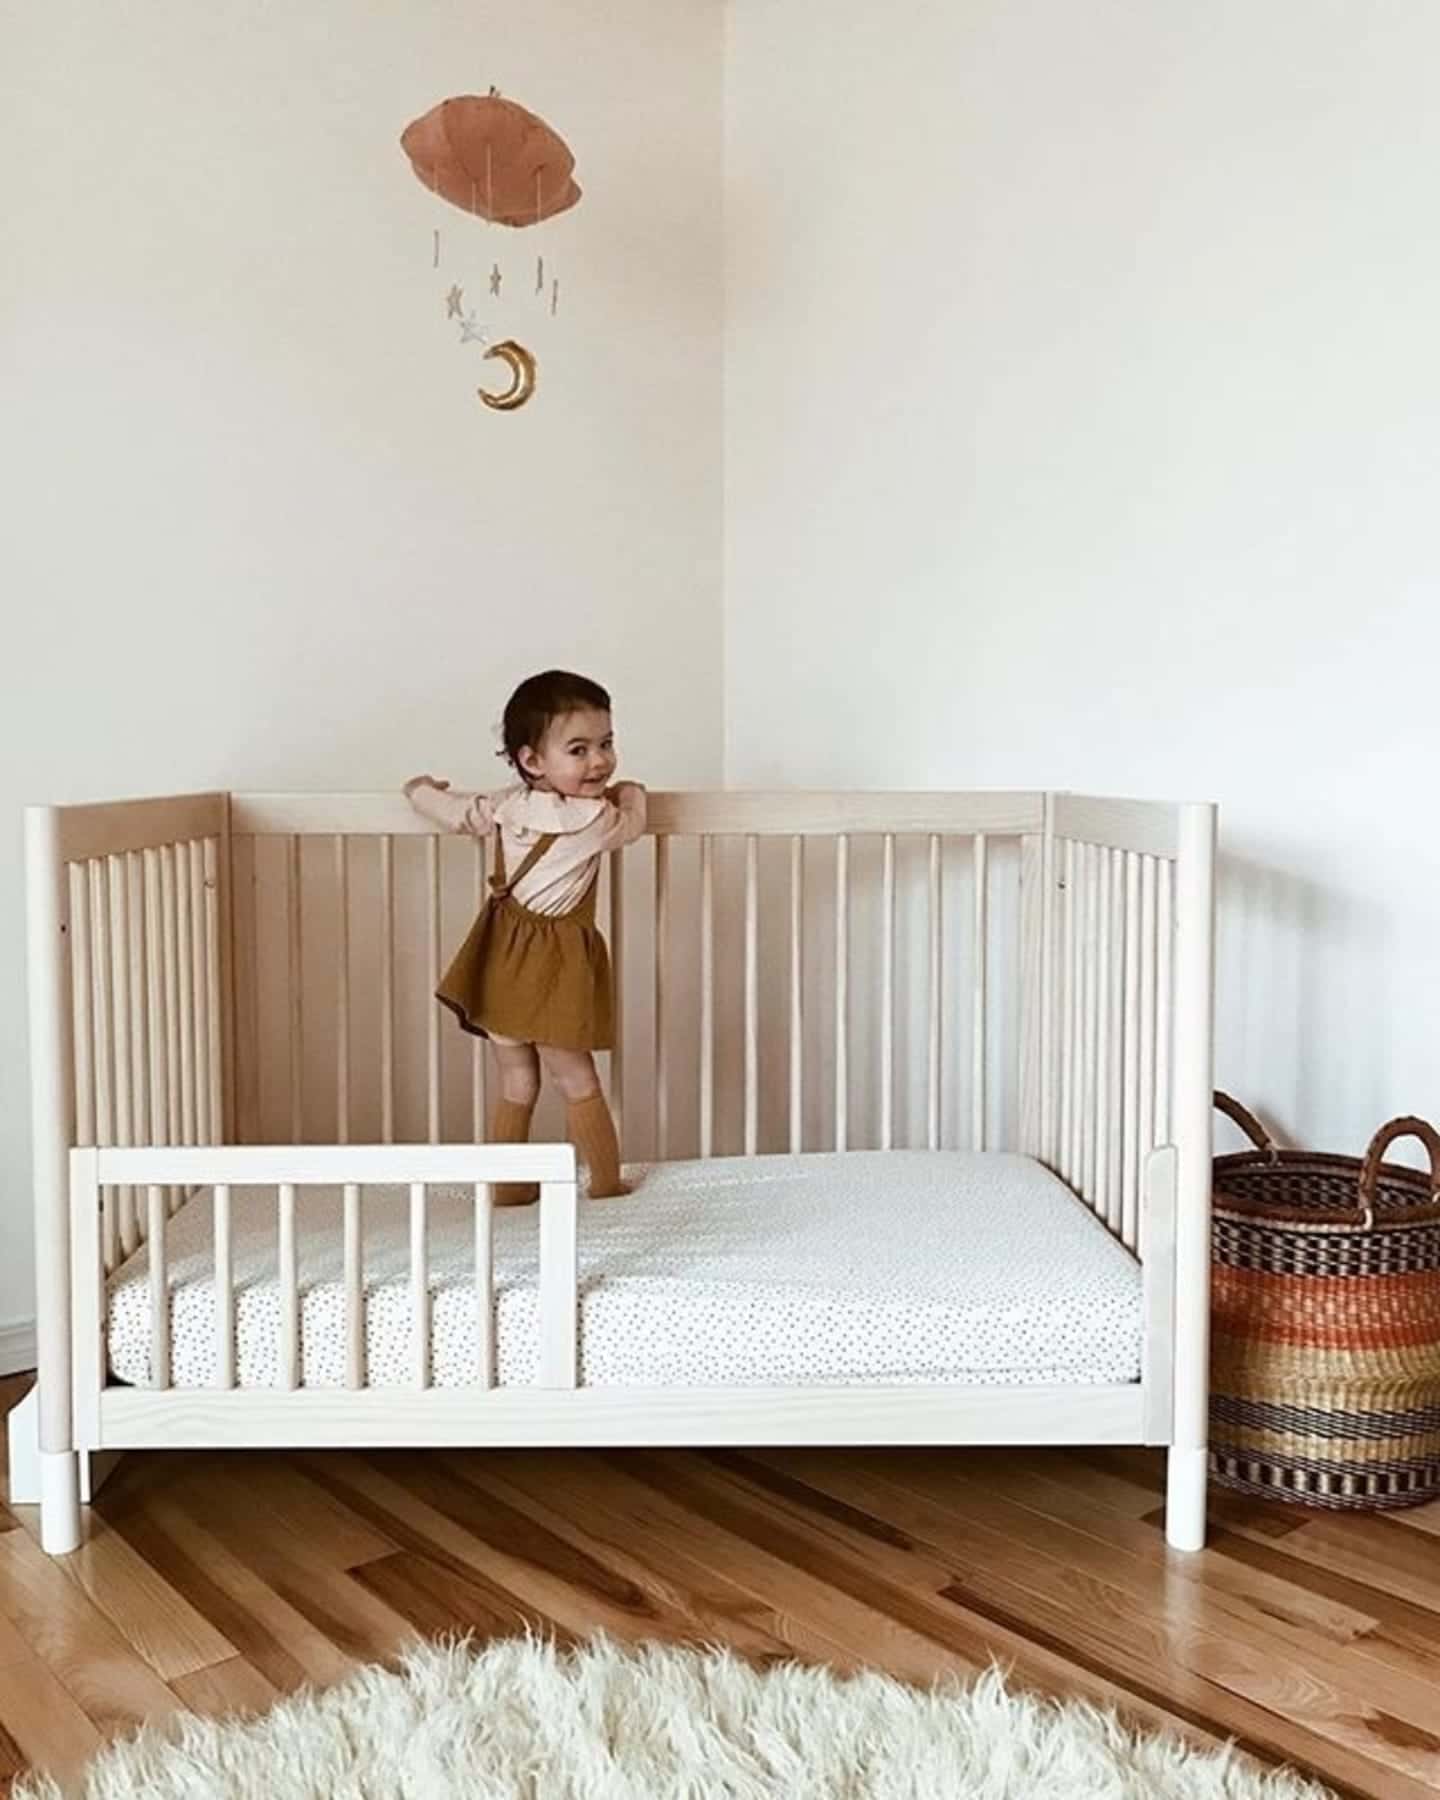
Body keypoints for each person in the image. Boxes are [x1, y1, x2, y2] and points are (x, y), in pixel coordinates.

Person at [404, 670, 646, 1202]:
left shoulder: (501, 808)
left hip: (499, 958)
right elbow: (634, 823)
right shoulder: (596, 819)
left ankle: (509, 1190)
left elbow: (452, 810)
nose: (600, 762)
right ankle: (606, 1182)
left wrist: (419, 789)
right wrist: (636, 793)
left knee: (517, 1079)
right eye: (578, 750)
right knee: (577, 1079)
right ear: (533, 760)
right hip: (554, 964)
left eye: (606, 744)